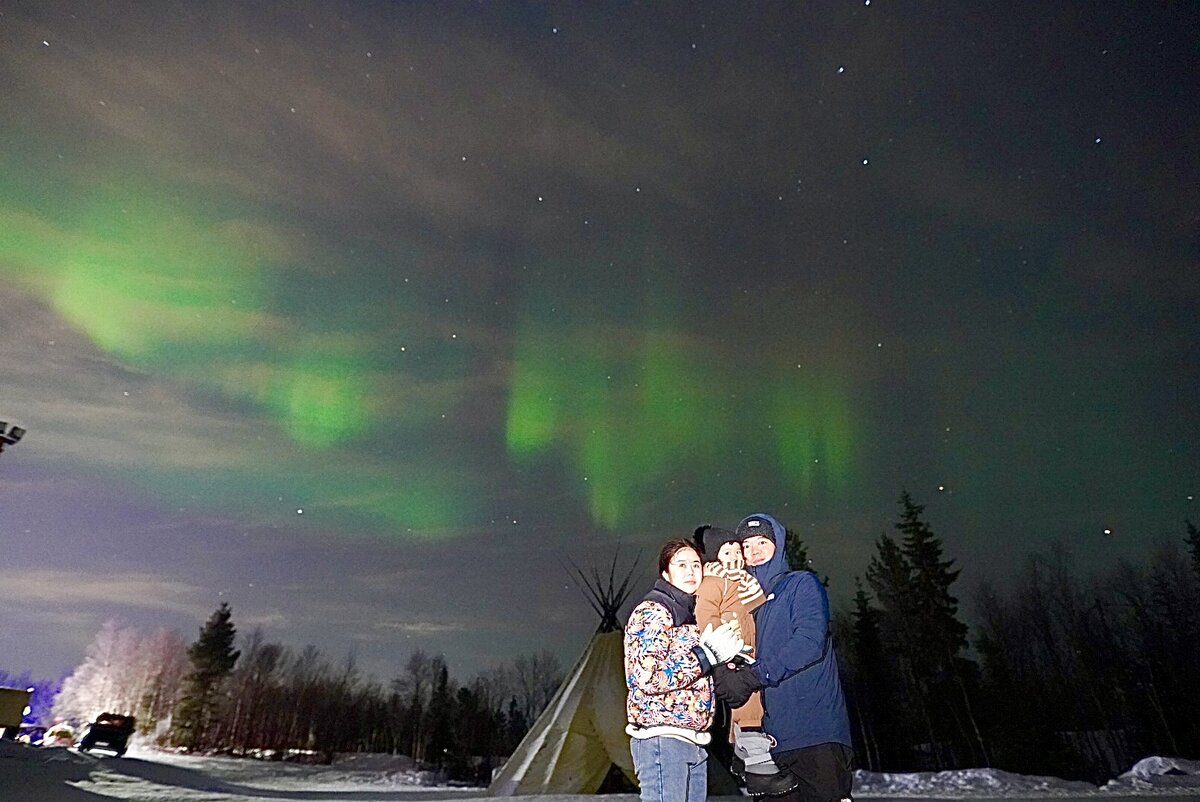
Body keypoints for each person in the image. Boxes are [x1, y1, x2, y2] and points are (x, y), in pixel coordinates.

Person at [713, 513, 854, 802]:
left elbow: (809, 643)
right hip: (767, 743)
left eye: (762, 542)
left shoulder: (800, 584)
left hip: (815, 735)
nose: (754, 551)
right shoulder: (745, 604)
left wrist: (753, 676)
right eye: (746, 546)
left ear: (778, 545)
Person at [624, 537, 746, 802]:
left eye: (695, 565)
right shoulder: (653, 611)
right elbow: (647, 676)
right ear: (665, 573)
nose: (691, 571)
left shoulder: (692, 615)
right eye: (681, 565)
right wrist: (705, 656)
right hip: (662, 738)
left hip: (694, 741)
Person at [693, 525, 796, 797]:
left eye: (737, 551)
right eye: (727, 552)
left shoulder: (744, 581)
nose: (735, 556)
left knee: (752, 708)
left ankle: (741, 754)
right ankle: (761, 774)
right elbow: (705, 615)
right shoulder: (713, 581)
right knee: (750, 711)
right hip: (733, 656)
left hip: (751, 654)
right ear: (715, 556)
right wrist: (724, 648)